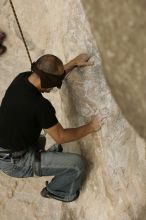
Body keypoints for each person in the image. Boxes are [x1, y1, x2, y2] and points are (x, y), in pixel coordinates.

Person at [0, 53, 101, 202]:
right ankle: (57, 191)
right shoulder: (40, 106)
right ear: (47, 80)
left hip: (9, 148)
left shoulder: (22, 78)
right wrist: (92, 126)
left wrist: (73, 63)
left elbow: (48, 76)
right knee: (77, 165)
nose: (56, 86)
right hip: (15, 162)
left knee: (40, 138)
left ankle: (43, 156)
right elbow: (61, 136)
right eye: (56, 82)